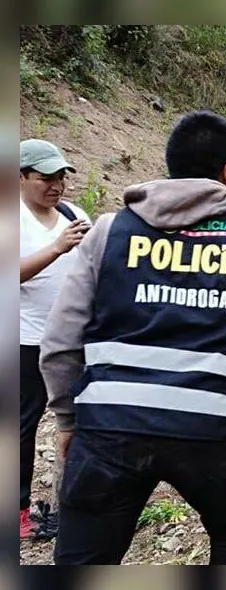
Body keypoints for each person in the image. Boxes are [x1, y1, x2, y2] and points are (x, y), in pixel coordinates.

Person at [39, 110, 226, 565]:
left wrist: (68, 419)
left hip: (111, 430)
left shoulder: (110, 233)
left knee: (82, 560)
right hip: (211, 437)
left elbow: (60, 339)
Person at [19, 139, 93, 541]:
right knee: (21, 428)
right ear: (19, 177)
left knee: (80, 421)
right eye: (46, 178)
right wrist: (56, 248)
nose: (56, 186)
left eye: (61, 178)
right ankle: (17, 513)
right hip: (24, 340)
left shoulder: (73, 214)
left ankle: (75, 505)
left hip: (72, 340)